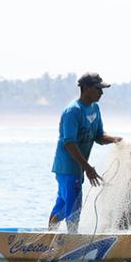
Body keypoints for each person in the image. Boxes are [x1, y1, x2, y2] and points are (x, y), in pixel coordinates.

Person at [49, 72, 122, 232]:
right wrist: (88, 168)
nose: (101, 93)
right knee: (74, 206)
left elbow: (99, 136)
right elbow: (69, 143)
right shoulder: (73, 111)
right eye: (98, 89)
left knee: (63, 205)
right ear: (86, 89)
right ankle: (72, 243)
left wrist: (116, 140)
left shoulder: (95, 108)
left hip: (78, 168)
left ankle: (49, 237)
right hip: (68, 166)